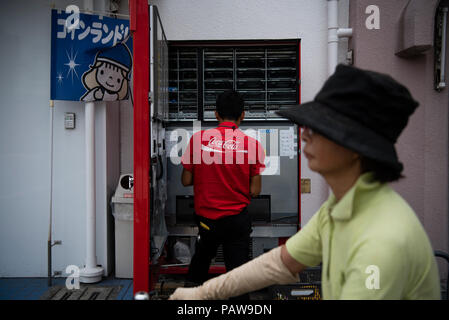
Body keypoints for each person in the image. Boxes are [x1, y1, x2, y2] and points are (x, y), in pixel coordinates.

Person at [170, 64, 441, 300]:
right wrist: (199, 294)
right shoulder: (338, 208)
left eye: (320, 128)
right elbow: (278, 263)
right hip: (236, 219)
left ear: (356, 147)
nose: (305, 136)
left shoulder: (381, 243)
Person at [180, 90, 266, 298]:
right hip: (236, 221)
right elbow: (255, 191)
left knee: (199, 265)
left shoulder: (198, 139)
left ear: (216, 114)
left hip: (207, 220)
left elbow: (186, 181)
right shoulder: (252, 145)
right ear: (242, 115)